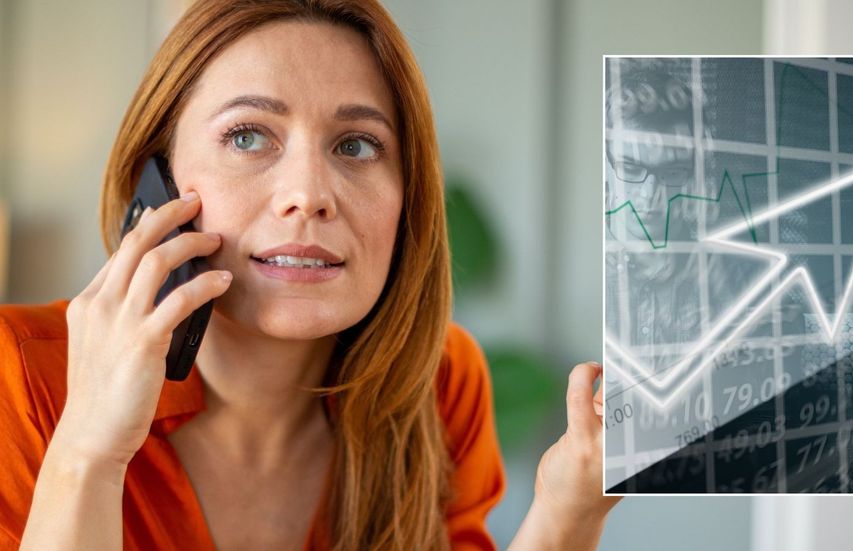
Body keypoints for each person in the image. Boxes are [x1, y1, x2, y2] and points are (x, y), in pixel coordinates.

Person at [0, 1, 620, 549]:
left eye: (356, 145)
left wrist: (571, 511)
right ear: (155, 182)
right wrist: (89, 456)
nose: (308, 194)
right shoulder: (18, 375)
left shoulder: (439, 383)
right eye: (247, 136)